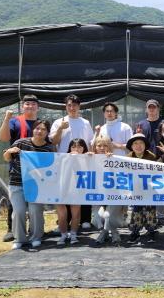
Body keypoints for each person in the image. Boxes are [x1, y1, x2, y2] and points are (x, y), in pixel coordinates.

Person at [3, 120, 54, 249]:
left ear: (47, 132)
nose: (40, 131)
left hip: (37, 185)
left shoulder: (48, 148)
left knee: (35, 210)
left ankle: (36, 237)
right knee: (19, 211)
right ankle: (19, 239)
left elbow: (53, 166)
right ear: (33, 130)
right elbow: (7, 157)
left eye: (43, 129)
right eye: (37, 128)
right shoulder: (20, 143)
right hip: (17, 183)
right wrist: (10, 151)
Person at [0, 94, 40, 242]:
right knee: (16, 201)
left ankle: (34, 230)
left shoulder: (41, 124)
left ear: (38, 107)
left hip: (37, 169)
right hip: (17, 168)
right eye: (27, 104)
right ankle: (11, 229)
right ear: (23, 106)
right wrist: (6, 119)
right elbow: (3, 138)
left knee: (35, 200)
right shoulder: (15, 121)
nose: (30, 106)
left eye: (33, 104)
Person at [49, 94, 95, 230]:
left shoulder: (85, 122)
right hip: (64, 162)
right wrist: (60, 129)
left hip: (83, 162)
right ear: (65, 107)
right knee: (65, 190)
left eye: (74, 105)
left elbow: (90, 141)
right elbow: (54, 141)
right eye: (69, 105)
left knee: (84, 188)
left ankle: (85, 219)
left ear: (79, 106)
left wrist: (90, 156)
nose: (72, 108)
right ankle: (64, 221)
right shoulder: (59, 122)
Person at [89, 135, 124, 246]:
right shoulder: (90, 158)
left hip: (113, 194)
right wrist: (84, 157)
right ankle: (109, 231)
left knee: (108, 216)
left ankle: (107, 233)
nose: (102, 148)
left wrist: (112, 161)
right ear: (95, 147)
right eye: (99, 145)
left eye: (105, 145)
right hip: (97, 195)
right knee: (97, 217)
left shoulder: (115, 159)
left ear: (110, 147)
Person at [126, 133, 158, 244]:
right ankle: (135, 231)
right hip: (135, 189)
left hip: (149, 188)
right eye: (135, 143)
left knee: (150, 210)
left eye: (141, 143)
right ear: (132, 146)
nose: (138, 146)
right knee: (136, 210)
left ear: (145, 145)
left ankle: (151, 230)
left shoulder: (151, 157)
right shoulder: (128, 158)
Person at [56, 138, 89, 246]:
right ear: (69, 148)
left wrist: (92, 156)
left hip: (77, 190)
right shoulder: (62, 158)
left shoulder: (89, 159)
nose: (76, 149)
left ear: (84, 148)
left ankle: (73, 234)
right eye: (73, 146)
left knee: (76, 214)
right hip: (61, 190)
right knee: (62, 215)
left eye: (79, 146)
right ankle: (63, 234)